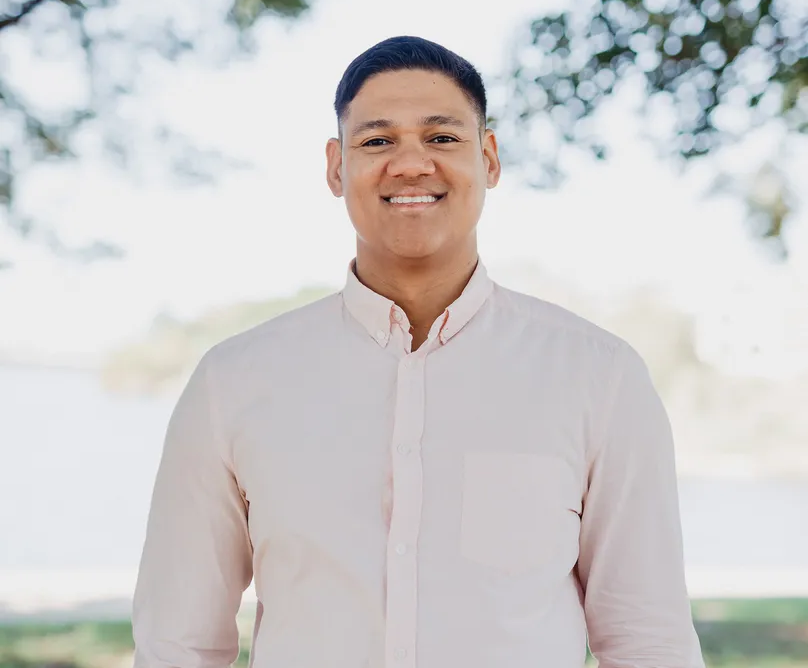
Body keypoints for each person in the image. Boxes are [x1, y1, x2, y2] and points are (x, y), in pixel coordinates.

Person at [131, 35, 706, 668]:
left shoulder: (600, 378)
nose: (410, 164)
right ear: (335, 166)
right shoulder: (232, 384)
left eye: (442, 138)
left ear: (487, 158)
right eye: (377, 141)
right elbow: (178, 645)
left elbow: (649, 641)